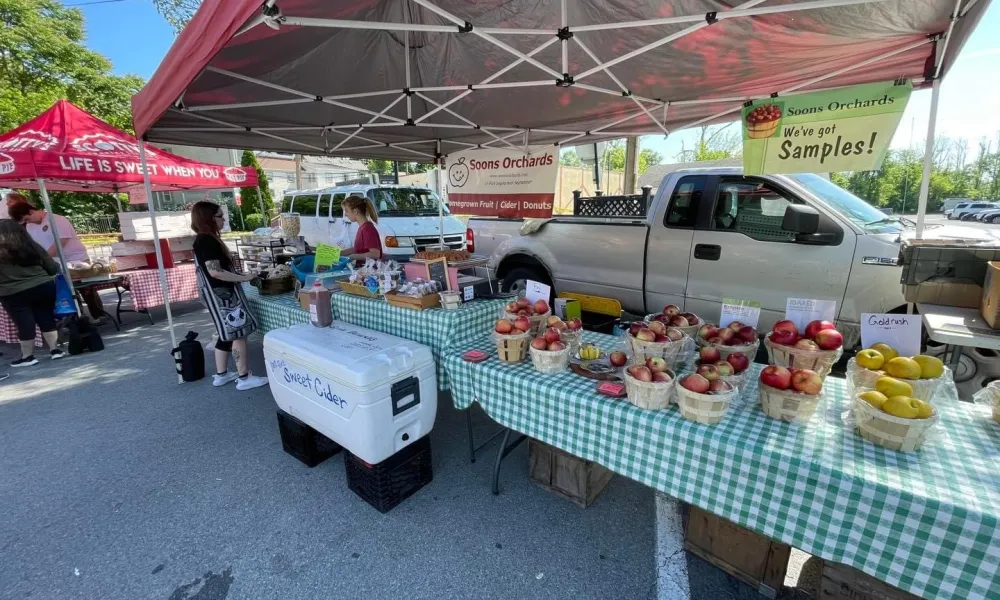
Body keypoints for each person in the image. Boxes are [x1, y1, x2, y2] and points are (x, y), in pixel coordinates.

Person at [190, 201, 268, 391]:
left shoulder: (202, 239)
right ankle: (244, 378)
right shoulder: (207, 241)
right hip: (223, 295)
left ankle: (222, 374)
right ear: (209, 219)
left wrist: (240, 275)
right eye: (220, 216)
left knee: (225, 334)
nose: (223, 220)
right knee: (238, 333)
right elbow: (215, 272)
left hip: (216, 294)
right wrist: (244, 277)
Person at [0, 219, 66, 366]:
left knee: (24, 323)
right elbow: (51, 267)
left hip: (13, 292)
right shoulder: (33, 246)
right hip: (43, 285)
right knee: (46, 317)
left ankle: (28, 357)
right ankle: (55, 350)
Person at [340, 195, 382, 263]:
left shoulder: (368, 229)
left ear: (355, 211)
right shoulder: (362, 227)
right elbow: (357, 249)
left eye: (346, 211)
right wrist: (339, 253)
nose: (345, 214)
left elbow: (375, 254)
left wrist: (352, 257)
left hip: (369, 268)